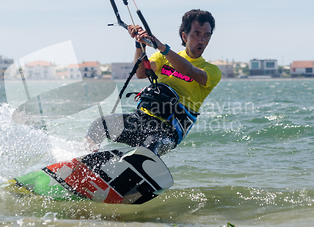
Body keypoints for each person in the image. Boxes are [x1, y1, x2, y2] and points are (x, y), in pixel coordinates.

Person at [84, 9, 222, 156]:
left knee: (148, 148)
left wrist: (162, 47)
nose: (202, 40)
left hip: (167, 132)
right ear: (184, 36)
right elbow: (141, 73)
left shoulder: (211, 71)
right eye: (197, 34)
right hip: (140, 119)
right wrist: (140, 44)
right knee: (100, 125)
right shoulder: (163, 58)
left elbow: (188, 70)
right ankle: (82, 163)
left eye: (207, 35)